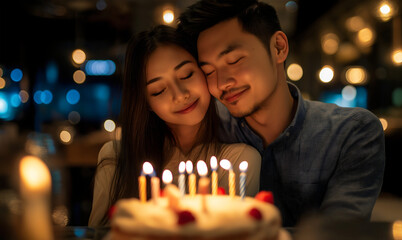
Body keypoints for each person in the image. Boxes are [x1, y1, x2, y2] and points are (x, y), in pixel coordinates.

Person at [178, 0, 385, 227]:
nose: (221, 84)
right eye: (208, 71)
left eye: (235, 60)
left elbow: (337, 232)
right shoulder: (207, 127)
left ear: (278, 47)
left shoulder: (350, 132)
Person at [88, 25, 261, 227]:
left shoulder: (237, 162)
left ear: (204, 72)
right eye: (158, 90)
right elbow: (99, 233)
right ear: (146, 103)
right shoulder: (117, 157)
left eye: (187, 75)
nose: (180, 95)